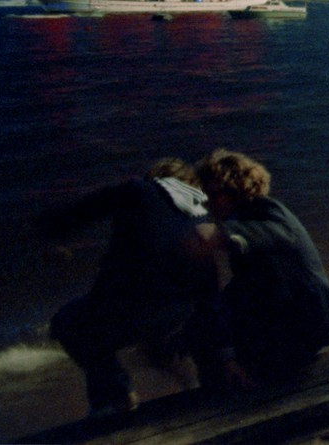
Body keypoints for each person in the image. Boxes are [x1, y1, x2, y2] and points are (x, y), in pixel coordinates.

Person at [39, 158, 218, 418]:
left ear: (157, 179)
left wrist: (50, 230)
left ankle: (115, 397)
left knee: (67, 323)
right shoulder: (198, 215)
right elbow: (209, 285)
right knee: (155, 337)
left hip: (129, 311)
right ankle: (190, 381)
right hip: (179, 314)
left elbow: (88, 207)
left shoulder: (140, 191)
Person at [195, 150, 329, 387]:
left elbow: (275, 234)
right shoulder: (254, 212)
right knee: (208, 320)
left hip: (302, 323)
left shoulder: (267, 212)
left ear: (235, 189)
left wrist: (221, 235)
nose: (207, 201)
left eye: (213, 194)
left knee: (209, 337)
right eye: (204, 194)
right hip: (294, 313)